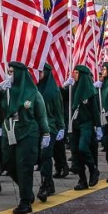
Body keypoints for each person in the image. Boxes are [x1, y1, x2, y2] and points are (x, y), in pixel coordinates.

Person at [0, 61, 50, 214]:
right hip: (9, 132)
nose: (9, 75)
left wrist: (46, 133)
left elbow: (41, 114)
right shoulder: (6, 91)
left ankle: (25, 201)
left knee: (24, 167)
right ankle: (27, 191)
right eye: (8, 72)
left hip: (28, 133)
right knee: (8, 163)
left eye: (12, 72)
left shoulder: (33, 93)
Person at [63, 65, 101, 190]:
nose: (73, 75)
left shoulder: (90, 91)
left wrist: (98, 126)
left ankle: (93, 169)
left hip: (86, 123)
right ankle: (82, 179)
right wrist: (64, 86)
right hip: (75, 123)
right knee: (75, 152)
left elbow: (95, 110)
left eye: (76, 73)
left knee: (83, 147)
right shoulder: (73, 88)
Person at [36, 63, 65, 201]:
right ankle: (50, 184)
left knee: (45, 155)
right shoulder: (35, 88)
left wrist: (61, 127)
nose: (39, 74)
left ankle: (45, 185)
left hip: (51, 127)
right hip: (39, 128)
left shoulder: (54, 91)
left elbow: (59, 111)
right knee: (41, 157)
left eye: (41, 71)